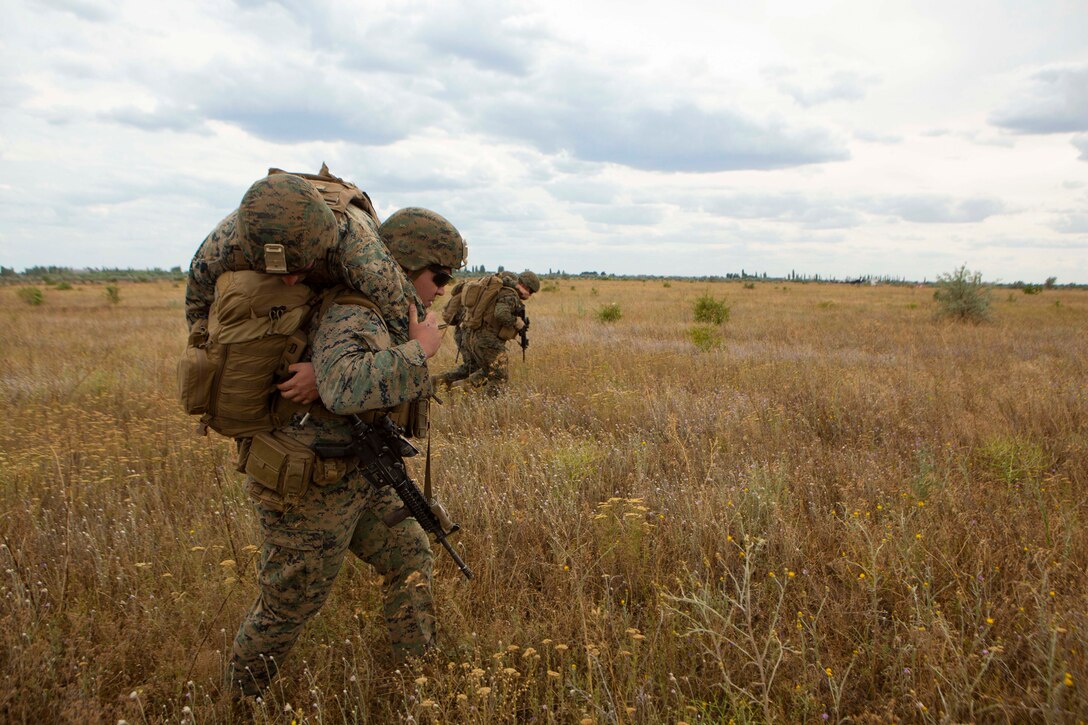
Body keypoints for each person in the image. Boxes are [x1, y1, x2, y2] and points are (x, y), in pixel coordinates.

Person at [225, 207, 465, 697]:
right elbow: (341, 387)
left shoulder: (385, 312)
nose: (441, 288)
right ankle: (238, 699)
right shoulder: (355, 309)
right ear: (407, 264)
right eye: (438, 276)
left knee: (411, 555)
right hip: (308, 486)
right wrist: (420, 351)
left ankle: (417, 678)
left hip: (354, 475)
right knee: (289, 604)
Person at [437, 269, 539, 391]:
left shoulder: (497, 290)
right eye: (531, 292)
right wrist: (517, 322)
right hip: (488, 340)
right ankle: (460, 390)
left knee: (477, 369)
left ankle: (441, 383)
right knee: (498, 377)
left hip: (471, 334)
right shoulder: (509, 294)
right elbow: (501, 314)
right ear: (525, 286)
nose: (530, 295)